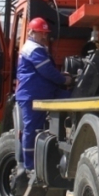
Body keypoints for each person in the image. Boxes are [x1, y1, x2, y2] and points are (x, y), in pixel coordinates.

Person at [16, 17, 72, 175]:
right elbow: (46, 70)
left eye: (45, 33)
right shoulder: (33, 49)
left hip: (39, 93)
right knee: (31, 129)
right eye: (41, 33)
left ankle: (35, 163)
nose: (44, 36)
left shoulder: (37, 48)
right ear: (31, 32)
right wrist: (63, 79)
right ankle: (29, 166)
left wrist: (61, 77)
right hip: (32, 95)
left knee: (34, 129)